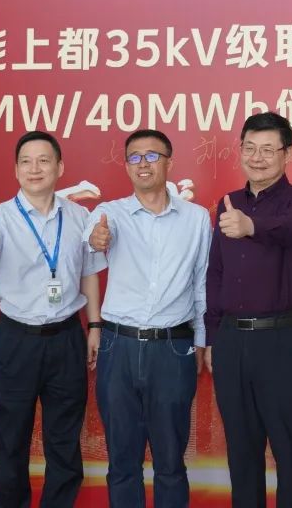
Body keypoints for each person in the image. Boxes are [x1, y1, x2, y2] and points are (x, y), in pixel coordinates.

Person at [0, 130, 104, 508]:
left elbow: (89, 272)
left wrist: (94, 325)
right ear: (16, 170)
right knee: (11, 438)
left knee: (64, 440)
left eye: (43, 160)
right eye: (26, 161)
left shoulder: (79, 216)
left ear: (60, 167)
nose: (34, 169)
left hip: (66, 337)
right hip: (18, 339)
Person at [85, 129, 210, 508]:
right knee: (122, 461)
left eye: (152, 156)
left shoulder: (196, 218)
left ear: (169, 162)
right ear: (126, 166)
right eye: (134, 157)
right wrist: (96, 239)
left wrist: (202, 340)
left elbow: (202, 282)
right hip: (118, 346)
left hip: (173, 348)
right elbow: (92, 239)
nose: (143, 164)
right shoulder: (110, 214)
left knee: (170, 461)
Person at [205, 112, 292, 508]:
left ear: (287, 154)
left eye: (268, 149)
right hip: (232, 340)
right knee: (241, 449)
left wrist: (249, 226)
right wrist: (213, 337)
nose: (258, 157)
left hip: (283, 339)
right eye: (250, 148)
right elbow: (216, 272)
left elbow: (289, 229)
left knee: (289, 448)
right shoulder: (229, 203)